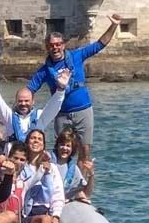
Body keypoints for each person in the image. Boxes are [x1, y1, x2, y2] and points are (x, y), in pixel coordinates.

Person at [26, 14, 122, 161]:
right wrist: (22, 109)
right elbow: (30, 90)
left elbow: (100, 44)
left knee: (84, 150)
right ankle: (63, 180)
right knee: (61, 151)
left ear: (63, 45)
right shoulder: (44, 70)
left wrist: (114, 25)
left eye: (58, 44)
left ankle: (83, 181)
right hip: (61, 114)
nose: (55, 48)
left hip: (83, 109)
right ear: (47, 47)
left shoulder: (78, 55)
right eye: (51, 45)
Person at [0, 58, 68, 144]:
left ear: (33, 101)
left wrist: (61, 89)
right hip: (13, 157)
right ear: (16, 101)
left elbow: (54, 106)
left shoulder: (40, 117)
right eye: (20, 101)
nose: (23, 104)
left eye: (27, 101)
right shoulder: (8, 117)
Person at [21, 149, 66, 223]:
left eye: (39, 139)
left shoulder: (52, 168)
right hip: (28, 215)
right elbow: (27, 188)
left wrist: (56, 217)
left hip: (45, 212)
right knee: (45, 220)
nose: (36, 141)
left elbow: (56, 195)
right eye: (33, 138)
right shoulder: (22, 165)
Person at [52, 128, 95, 202]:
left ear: (72, 149)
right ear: (57, 146)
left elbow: (86, 194)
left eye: (68, 146)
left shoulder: (74, 169)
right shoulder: (49, 162)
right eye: (62, 145)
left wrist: (91, 175)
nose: (65, 148)